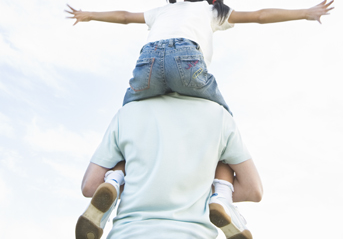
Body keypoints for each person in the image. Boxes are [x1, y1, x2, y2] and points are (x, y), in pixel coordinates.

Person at [67, 0, 333, 235]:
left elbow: (125, 16)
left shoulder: (165, 10)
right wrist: (305, 13)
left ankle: (114, 181)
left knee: (128, 126)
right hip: (187, 63)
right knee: (222, 126)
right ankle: (223, 194)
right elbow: (261, 15)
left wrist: (88, 14)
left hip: (147, 66)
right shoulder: (212, 10)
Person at [76, 93, 263, 239]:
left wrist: (139, 181)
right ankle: (222, 196)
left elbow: (90, 186)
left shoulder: (127, 112)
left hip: (127, 233)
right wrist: (198, 189)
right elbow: (253, 190)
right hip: (193, 234)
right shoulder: (219, 115)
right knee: (223, 158)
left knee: (127, 156)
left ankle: (115, 180)